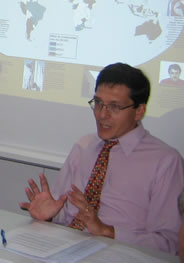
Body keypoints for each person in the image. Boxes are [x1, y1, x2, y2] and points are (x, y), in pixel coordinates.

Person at [19, 63, 184, 254]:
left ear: (139, 111)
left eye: (114, 107)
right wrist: (49, 217)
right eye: (98, 103)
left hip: (121, 254)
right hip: (63, 249)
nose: (101, 114)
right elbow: (64, 216)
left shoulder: (165, 161)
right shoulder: (84, 146)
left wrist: (107, 231)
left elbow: (170, 243)